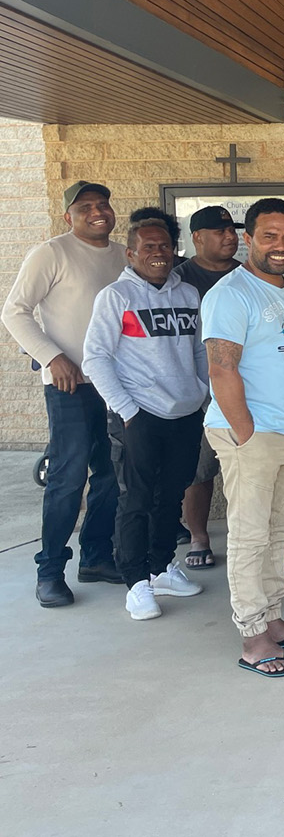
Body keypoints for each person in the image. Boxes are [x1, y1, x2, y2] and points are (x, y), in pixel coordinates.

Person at [202, 198, 284, 677]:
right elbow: (221, 368)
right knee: (251, 536)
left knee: (279, 531)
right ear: (248, 238)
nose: (281, 245)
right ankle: (253, 635)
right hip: (252, 434)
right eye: (269, 236)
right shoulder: (232, 294)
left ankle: (272, 617)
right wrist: (246, 433)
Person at [3, 180, 127, 606]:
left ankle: (96, 557)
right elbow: (14, 311)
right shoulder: (51, 253)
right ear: (67, 216)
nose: (97, 212)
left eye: (103, 203)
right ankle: (50, 571)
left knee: (111, 474)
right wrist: (51, 357)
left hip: (115, 384)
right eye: (85, 206)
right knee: (68, 477)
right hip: (69, 385)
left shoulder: (123, 254)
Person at [82, 222, 207, 620]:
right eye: (149, 246)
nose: (159, 253)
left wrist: (203, 393)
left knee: (171, 495)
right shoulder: (116, 296)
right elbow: (95, 358)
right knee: (135, 499)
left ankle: (161, 567)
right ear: (131, 254)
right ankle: (136, 582)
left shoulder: (188, 294)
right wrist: (127, 410)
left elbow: (199, 351)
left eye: (165, 245)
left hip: (185, 413)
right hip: (138, 415)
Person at [171, 205, 241, 569]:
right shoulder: (178, 280)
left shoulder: (247, 275)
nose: (229, 237)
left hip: (245, 387)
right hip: (199, 390)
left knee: (247, 467)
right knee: (199, 470)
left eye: (232, 230)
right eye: (219, 231)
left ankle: (246, 538)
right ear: (197, 237)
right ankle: (199, 536)